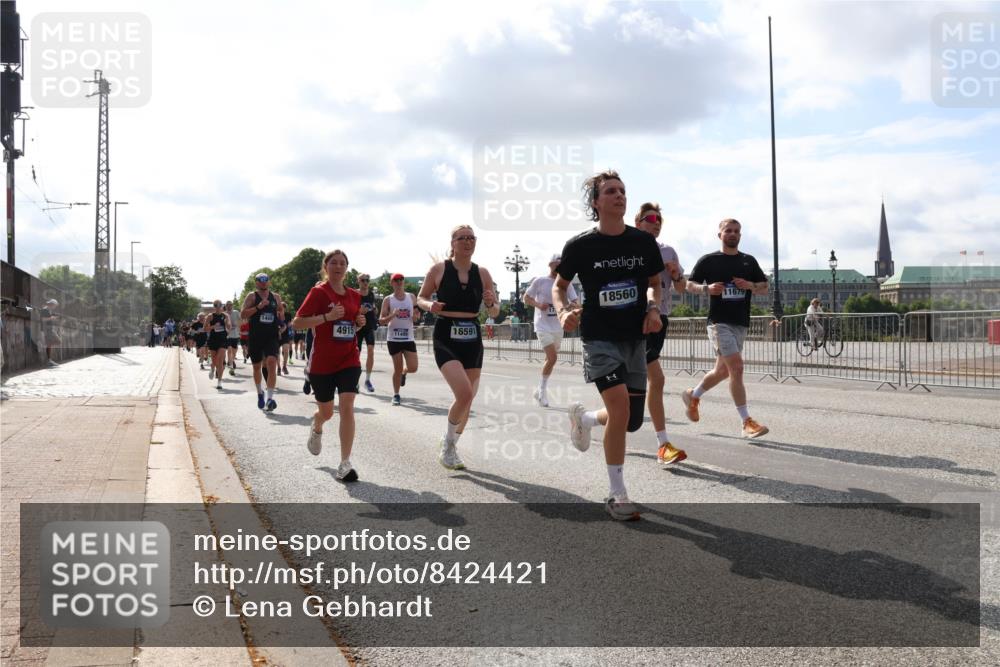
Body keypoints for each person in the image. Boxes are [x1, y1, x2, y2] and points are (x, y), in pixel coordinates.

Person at [556, 170, 665, 521]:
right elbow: (560, 287)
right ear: (596, 202)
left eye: (622, 191)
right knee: (619, 410)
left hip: (635, 338)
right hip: (599, 337)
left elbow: (653, 283)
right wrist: (561, 313)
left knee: (630, 421)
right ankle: (617, 494)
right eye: (611, 191)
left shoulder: (642, 243)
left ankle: (585, 418)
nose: (619, 196)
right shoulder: (580, 246)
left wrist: (651, 307)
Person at [417, 224, 500, 470]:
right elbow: (420, 298)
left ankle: (451, 443)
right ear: (452, 243)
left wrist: (490, 303)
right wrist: (429, 305)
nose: (467, 242)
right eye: (462, 238)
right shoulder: (439, 269)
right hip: (446, 334)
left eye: (471, 238)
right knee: (463, 393)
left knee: (469, 399)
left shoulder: (482, 273)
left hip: (472, 336)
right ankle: (448, 445)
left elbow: (495, 311)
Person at [682, 218, 770, 439]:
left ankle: (693, 395)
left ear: (740, 235)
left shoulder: (748, 261)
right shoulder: (709, 261)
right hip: (718, 323)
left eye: (737, 231)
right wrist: (707, 289)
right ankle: (746, 422)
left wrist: (749, 285)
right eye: (728, 231)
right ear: (719, 235)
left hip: (740, 323)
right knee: (737, 368)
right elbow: (688, 285)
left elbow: (764, 287)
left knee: (722, 371)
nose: (733, 234)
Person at [291, 249, 367, 482]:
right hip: (322, 362)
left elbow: (352, 324)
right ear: (326, 267)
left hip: (348, 359)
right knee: (326, 412)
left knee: (347, 405)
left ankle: (345, 464)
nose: (338, 266)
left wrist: (359, 322)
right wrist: (326, 317)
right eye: (333, 262)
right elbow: (297, 323)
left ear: (347, 268)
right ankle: (317, 425)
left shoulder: (355, 295)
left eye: (342, 263)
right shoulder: (318, 292)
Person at [635, 203, 687, 465]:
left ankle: (587, 419)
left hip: (660, 319)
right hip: (637, 319)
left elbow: (681, 288)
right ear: (638, 223)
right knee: (655, 379)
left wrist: (677, 274)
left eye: (659, 220)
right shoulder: (630, 247)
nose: (656, 222)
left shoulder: (668, 251)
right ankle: (662, 443)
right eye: (650, 218)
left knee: (639, 390)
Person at [522, 254, 579, 408]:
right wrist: (539, 305)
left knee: (550, 359)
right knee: (552, 358)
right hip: (542, 325)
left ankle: (538, 390)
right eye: (557, 264)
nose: (559, 267)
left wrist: (570, 308)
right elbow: (526, 298)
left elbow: (575, 302)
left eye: (562, 264)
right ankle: (542, 391)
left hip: (558, 326)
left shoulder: (566, 284)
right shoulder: (540, 281)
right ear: (550, 264)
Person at [241, 273, 285, 412]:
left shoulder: (276, 297)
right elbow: (243, 314)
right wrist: (258, 307)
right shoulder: (252, 296)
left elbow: (280, 310)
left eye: (266, 280)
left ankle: (270, 398)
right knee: (256, 367)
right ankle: (260, 392)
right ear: (257, 283)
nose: (264, 282)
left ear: (269, 282)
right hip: (255, 337)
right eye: (261, 280)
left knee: (272, 362)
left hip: (271, 336)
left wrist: (281, 322)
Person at [379, 272, 421, 406]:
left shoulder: (411, 297)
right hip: (394, 338)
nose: (399, 282)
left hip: (408, 338)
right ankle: (396, 395)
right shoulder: (388, 299)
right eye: (396, 280)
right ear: (392, 283)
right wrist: (392, 315)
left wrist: (415, 317)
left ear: (403, 282)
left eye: (401, 279)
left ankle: (405, 372)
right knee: (396, 369)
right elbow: (381, 321)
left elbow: (416, 316)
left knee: (413, 368)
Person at [356, 273, 378, 392]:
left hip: (369, 326)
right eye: (363, 280)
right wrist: (359, 311)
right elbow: (350, 309)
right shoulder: (354, 294)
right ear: (358, 281)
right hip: (358, 327)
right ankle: (355, 380)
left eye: (367, 280)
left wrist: (374, 310)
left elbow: (372, 307)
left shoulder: (371, 294)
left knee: (371, 351)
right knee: (356, 354)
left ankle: (368, 380)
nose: (365, 282)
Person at [206, 300, 231, 390]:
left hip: (223, 339)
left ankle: (219, 382)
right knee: (214, 360)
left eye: (219, 305)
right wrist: (213, 327)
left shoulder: (225, 316)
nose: (218, 307)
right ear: (214, 306)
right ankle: (212, 368)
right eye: (216, 305)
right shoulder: (210, 316)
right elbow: (205, 328)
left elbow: (229, 327)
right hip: (213, 339)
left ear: (222, 306)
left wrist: (226, 323)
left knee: (220, 360)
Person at [40, 299, 61, 366]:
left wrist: (54, 318)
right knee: (51, 343)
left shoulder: (49, 310)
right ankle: (49, 361)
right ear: (51, 304)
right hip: (46, 330)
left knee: (57, 342)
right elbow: (43, 319)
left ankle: (49, 360)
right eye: (54, 305)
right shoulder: (44, 310)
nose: (55, 307)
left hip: (50, 329)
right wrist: (51, 318)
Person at [226, 301, 241, 374]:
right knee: (229, 350)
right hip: (227, 335)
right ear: (226, 306)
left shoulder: (236, 312)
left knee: (234, 351)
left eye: (230, 305)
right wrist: (227, 326)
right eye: (227, 305)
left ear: (232, 306)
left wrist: (239, 327)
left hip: (235, 334)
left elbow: (241, 320)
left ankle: (231, 360)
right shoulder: (224, 314)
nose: (229, 306)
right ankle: (231, 366)